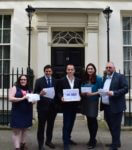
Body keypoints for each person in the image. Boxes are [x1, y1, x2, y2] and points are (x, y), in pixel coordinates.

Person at [100, 62, 128, 150]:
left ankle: (114, 146)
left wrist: (114, 93)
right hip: (107, 106)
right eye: (107, 67)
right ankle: (116, 142)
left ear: (114, 68)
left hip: (116, 106)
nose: (108, 69)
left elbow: (125, 88)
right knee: (111, 126)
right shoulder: (105, 77)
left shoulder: (120, 77)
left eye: (110, 67)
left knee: (115, 126)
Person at [58, 64, 81, 150]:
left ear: (74, 71)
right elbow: (58, 92)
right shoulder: (61, 80)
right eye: (68, 69)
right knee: (66, 124)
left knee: (71, 123)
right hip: (66, 105)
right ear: (66, 70)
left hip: (74, 105)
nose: (70, 71)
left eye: (72, 69)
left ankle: (68, 138)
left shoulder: (78, 80)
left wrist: (80, 96)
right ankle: (65, 142)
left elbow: (79, 91)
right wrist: (61, 97)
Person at [34, 65, 57, 150]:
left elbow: (58, 93)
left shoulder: (55, 81)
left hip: (52, 108)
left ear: (52, 72)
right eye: (46, 71)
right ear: (44, 72)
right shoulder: (39, 81)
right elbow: (35, 92)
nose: (48, 72)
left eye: (49, 71)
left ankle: (48, 141)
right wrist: (39, 93)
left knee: (50, 126)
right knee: (41, 127)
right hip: (42, 108)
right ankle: (40, 144)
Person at [81, 63, 102, 149]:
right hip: (86, 102)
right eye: (88, 69)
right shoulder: (84, 78)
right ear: (86, 70)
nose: (90, 70)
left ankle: (93, 140)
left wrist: (92, 94)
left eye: (91, 69)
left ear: (94, 70)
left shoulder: (99, 78)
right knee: (89, 121)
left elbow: (101, 91)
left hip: (93, 102)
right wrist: (82, 93)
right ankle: (91, 138)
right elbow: (81, 89)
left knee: (93, 120)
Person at [9, 75, 33, 150]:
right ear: (19, 80)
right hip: (17, 112)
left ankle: (23, 144)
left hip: (27, 112)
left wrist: (34, 100)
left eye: (25, 79)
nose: (23, 81)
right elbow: (10, 98)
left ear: (27, 81)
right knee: (17, 131)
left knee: (24, 130)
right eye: (21, 79)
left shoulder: (29, 89)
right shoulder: (15, 88)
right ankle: (17, 147)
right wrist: (22, 98)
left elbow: (32, 101)